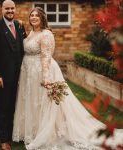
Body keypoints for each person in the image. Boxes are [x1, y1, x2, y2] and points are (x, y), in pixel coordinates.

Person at [12, 7, 123, 150]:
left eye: (36, 16)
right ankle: (33, 131)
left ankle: (47, 133)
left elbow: (46, 56)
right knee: (32, 101)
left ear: (42, 18)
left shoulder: (46, 34)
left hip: (41, 72)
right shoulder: (31, 32)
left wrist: (46, 78)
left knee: (43, 103)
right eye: (31, 15)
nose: (33, 18)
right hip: (29, 73)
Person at [0, 0, 26, 149]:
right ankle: (3, 139)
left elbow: (24, 46)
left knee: (15, 105)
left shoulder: (19, 25)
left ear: (15, 9)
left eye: (12, 8)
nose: (10, 11)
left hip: (20, 75)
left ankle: (12, 134)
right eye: (7, 8)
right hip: (3, 76)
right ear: (2, 9)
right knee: (3, 106)